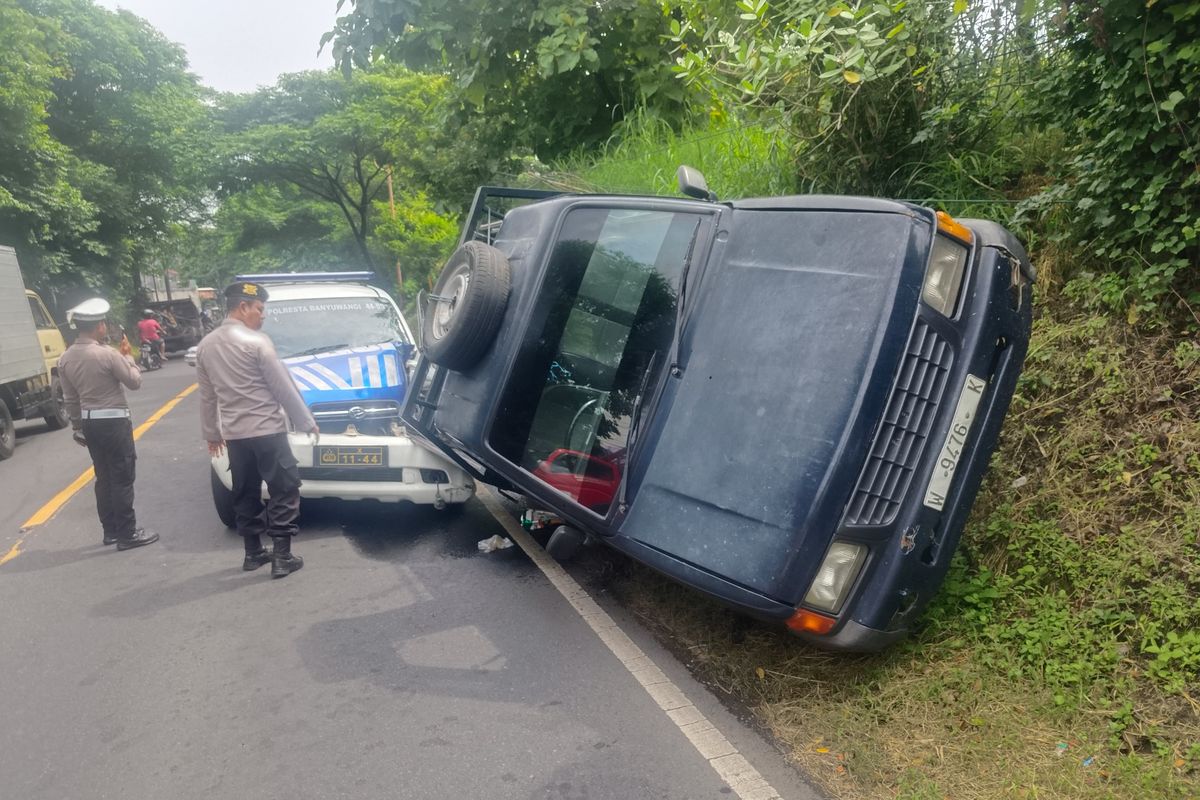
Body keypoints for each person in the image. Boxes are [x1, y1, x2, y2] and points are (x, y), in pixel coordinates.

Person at [196, 281, 318, 578]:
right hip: (268, 432)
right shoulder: (257, 342)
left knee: (245, 492)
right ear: (243, 308)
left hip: (236, 436)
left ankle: (253, 553)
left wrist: (212, 434)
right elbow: (283, 388)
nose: (262, 316)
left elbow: (207, 396)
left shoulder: (205, 346)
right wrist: (306, 421)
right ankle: (282, 556)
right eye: (259, 309)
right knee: (284, 489)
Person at [57, 298, 159, 550]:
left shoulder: (65, 358)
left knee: (103, 477)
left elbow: (70, 398)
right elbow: (134, 382)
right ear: (98, 326)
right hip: (114, 421)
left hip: (90, 424)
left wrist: (77, 427)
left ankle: (111, 531)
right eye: (103, 323)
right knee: (122, 476)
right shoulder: (107, 354)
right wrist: (129, 359)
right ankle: (128, 534)